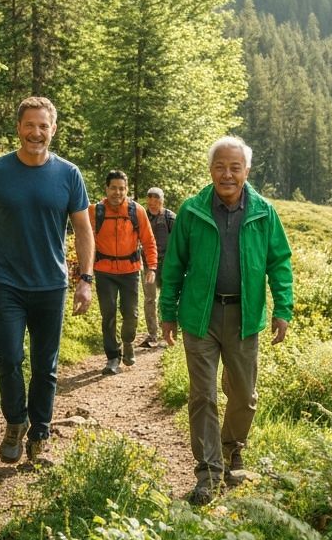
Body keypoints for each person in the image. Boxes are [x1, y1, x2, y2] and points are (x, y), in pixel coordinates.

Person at [159, 136, 293, 506]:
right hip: (200, 317)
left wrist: (283, 307)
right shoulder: (192, 211)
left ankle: (232, 446)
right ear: (211, 170)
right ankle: (208, 472)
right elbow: (175, 266)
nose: (227, 174)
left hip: (244, 317)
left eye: (235, 167)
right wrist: (167, 312)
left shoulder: (264, 213)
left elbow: (279, 262)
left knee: (244, 396)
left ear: (247, 171)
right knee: (203, 394)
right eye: (220, 166)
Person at [0, 96, 94, 465]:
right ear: (19, 128)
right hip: (7, 283)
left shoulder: (69, 174)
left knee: (45, 365)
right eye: (29, 125)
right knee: (7, 358)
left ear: (52, 130)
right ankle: (15, 421)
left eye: (43, 126)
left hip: (51, 286)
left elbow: (84, 229)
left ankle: (40, 432)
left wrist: (85, 279)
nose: (35, 133)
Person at [89, 170, 157, 375]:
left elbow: (148, 240)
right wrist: (84, 272)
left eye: (121, 189)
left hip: (130, 271)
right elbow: (86, 241)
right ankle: (112, 357)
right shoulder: (95, 211)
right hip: (104, 271)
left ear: (127, 190)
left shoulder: (137, 211)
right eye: (113, 188)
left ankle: (128, 342)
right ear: (106, 189)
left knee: (131, 314)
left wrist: (151, 267)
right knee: (108, 314)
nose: (117, 193)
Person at [139, 186, 176, 348]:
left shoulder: (170, 217)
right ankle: (152, 335)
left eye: (157, 201)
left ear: (162, 201)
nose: (153, 204)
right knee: (149, 299)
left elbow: (178, 241)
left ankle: (168, 332)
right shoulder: (142, 216)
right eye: (150, 201)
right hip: (148, 266)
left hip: (167, 265)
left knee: (167, 297)